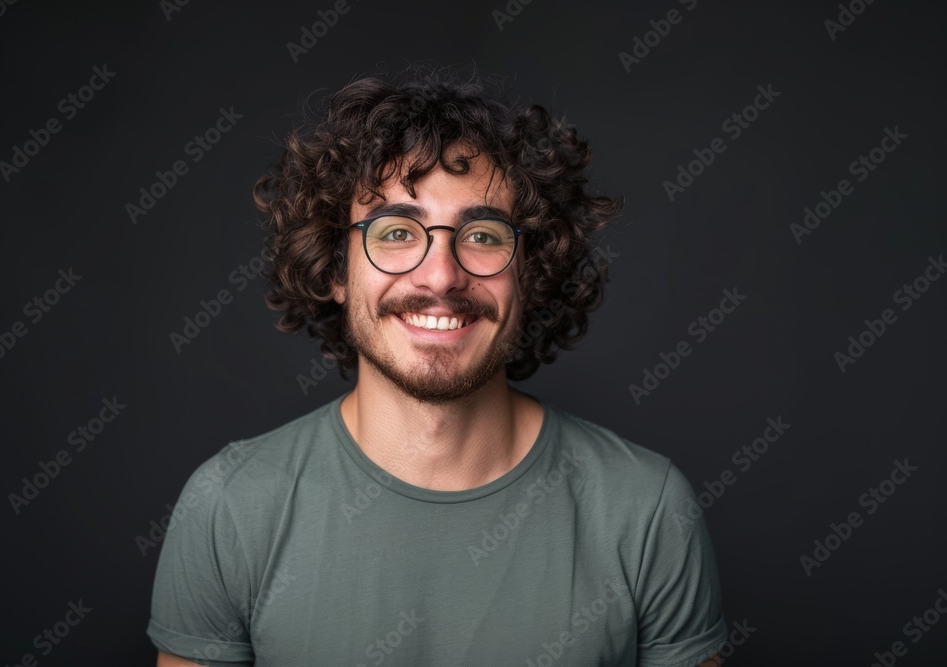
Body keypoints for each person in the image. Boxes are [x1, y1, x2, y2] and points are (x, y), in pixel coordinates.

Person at [147, 66, 728, 666]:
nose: (442, 275)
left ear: (530, 271)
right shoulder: (230, 506)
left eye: (482, 234)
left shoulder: (647, 509)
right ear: (334, 269)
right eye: (396, 231)